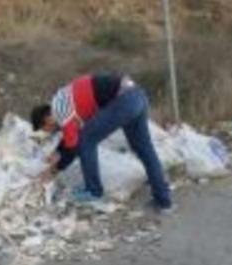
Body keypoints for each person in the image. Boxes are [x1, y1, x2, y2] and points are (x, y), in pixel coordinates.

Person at [30, 73, 173, 212]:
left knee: (86, 140)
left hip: (124, 100)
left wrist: (54, 170)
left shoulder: (59, 111)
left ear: (47, 119)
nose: (49, 132)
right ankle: (163, 200)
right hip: (137, 96)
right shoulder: (62, 101)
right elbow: (70, 137)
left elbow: (74, 146)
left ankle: (93, 191)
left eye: (46, 129)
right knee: (144, 149)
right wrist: (58, 152)